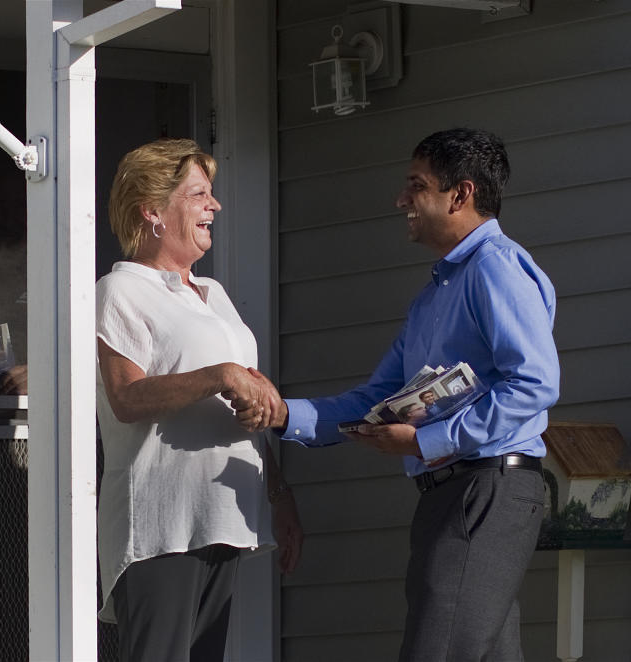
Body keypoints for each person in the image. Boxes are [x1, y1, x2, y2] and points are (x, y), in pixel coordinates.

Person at [235, 128, 559, 661]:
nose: (400, 199)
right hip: (453, 495)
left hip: (487, 490)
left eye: (416, 185)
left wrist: (429, 439)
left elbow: (536, 382)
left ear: (461, 195)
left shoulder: (495, 267)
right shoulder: (435, 295)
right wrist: (281, 413)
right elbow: (377, 399)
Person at [96, 138, 303, 662]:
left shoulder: (212, 293)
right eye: (198, 195)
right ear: (153, 211)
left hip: (223, 514)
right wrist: (220, 374)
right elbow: (125, 397)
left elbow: (243, 406)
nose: (214, 206)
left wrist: (278, 494)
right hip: (162, 522)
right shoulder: (120, 290)